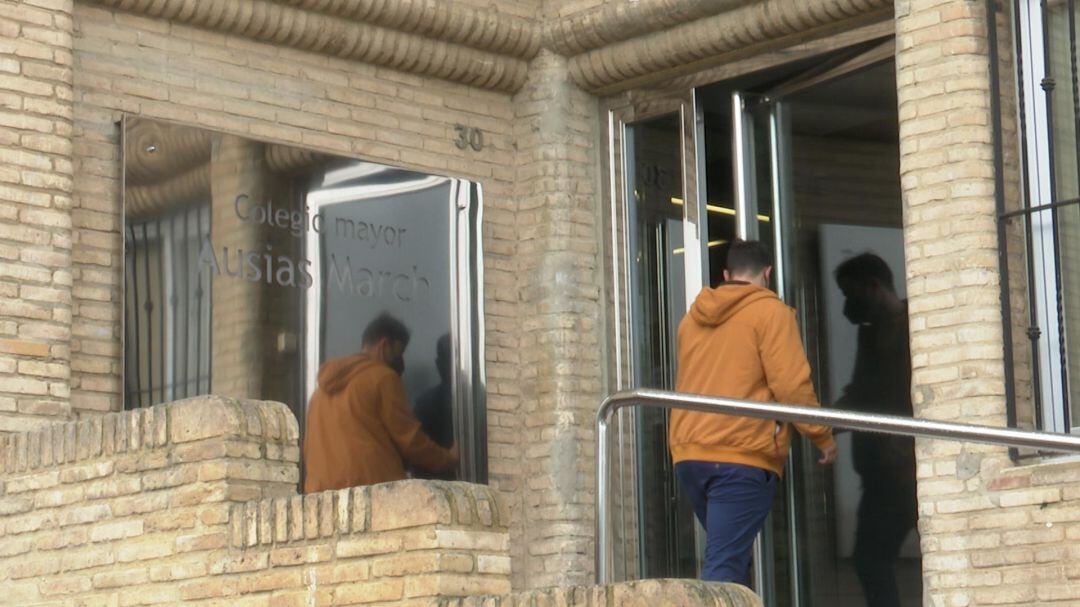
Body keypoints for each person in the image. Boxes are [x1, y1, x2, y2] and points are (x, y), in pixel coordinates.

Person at [669, 239, 837, 586]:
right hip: (740, 455)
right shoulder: (770, 313)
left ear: (727, 275)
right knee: (724, 568)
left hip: (690, 456)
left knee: (734, 564)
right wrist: (822, 435)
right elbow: (791, 386)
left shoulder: (691, 321)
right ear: (768, 273)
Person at [834, 253, 918, 607]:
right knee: (870, 560)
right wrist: (819, 423)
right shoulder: (871, 336)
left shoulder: (918, 324)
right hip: (882, 470)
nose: (849, 307)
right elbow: (861, 395)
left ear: (873, 287)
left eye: (852, 294)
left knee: (874, 558)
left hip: (913, 466)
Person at [303, 313, 458, 492]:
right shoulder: (382, 378)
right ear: (384, 345)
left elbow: (308, 448)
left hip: (320, 497)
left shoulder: (319, 392)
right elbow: (409, 440)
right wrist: (448, 459)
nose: (401, 364)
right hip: (371, 494)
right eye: (398, 354)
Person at [411, 334, 456, 480]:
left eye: (451, 360)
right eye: (446, 361)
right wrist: (450, 459)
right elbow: (415, 454)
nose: (449, 367)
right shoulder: (426, 403)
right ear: (438, 364)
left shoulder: (477, 396)